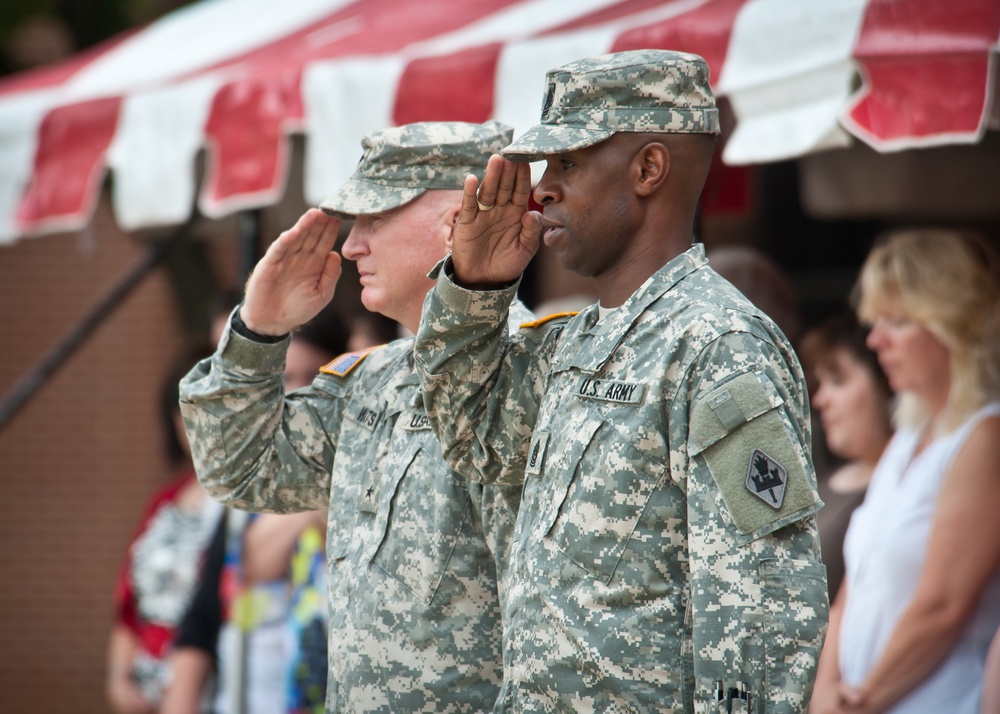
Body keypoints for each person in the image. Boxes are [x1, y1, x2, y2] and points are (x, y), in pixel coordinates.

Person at [413, 49, 828, 712]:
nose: (541, 188)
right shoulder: (575, 339)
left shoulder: (718, 345)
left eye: (568, 162)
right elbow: (472, 441)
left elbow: (763, 602)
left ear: (648, 169)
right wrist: (475, 289)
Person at [179, 120, 529, 712]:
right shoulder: (372, 379)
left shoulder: (537, 368)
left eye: (376, 219)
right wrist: (257, 331)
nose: (351, 245)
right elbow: (238, 471)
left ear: (455, 221)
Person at [810, 229, 1000, 714]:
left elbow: (943, 607)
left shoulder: (984, 437)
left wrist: (863, 699)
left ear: (949, 322)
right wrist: (826, 690)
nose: (876, 340)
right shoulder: (909, 437)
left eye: (896, 321)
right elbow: (853, 586)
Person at [164, 316, 347, 714]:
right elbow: (212, 602)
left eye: (310, 379)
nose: (295, 395)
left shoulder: (359, 479)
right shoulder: (245, 484)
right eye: (285, 379)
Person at [107, 345, 222, 714]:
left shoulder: (249, 505)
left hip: (208, 693)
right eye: (183, 410)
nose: (193, 423)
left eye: (206, 406)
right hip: (143, 694)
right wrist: (118, 680)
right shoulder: (165, 501)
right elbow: (128, 603)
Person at [798, 311, 893, 599]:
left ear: (886, 383)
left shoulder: (908, 483)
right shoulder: (826, 479)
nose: (820, 399)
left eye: (837, 381)